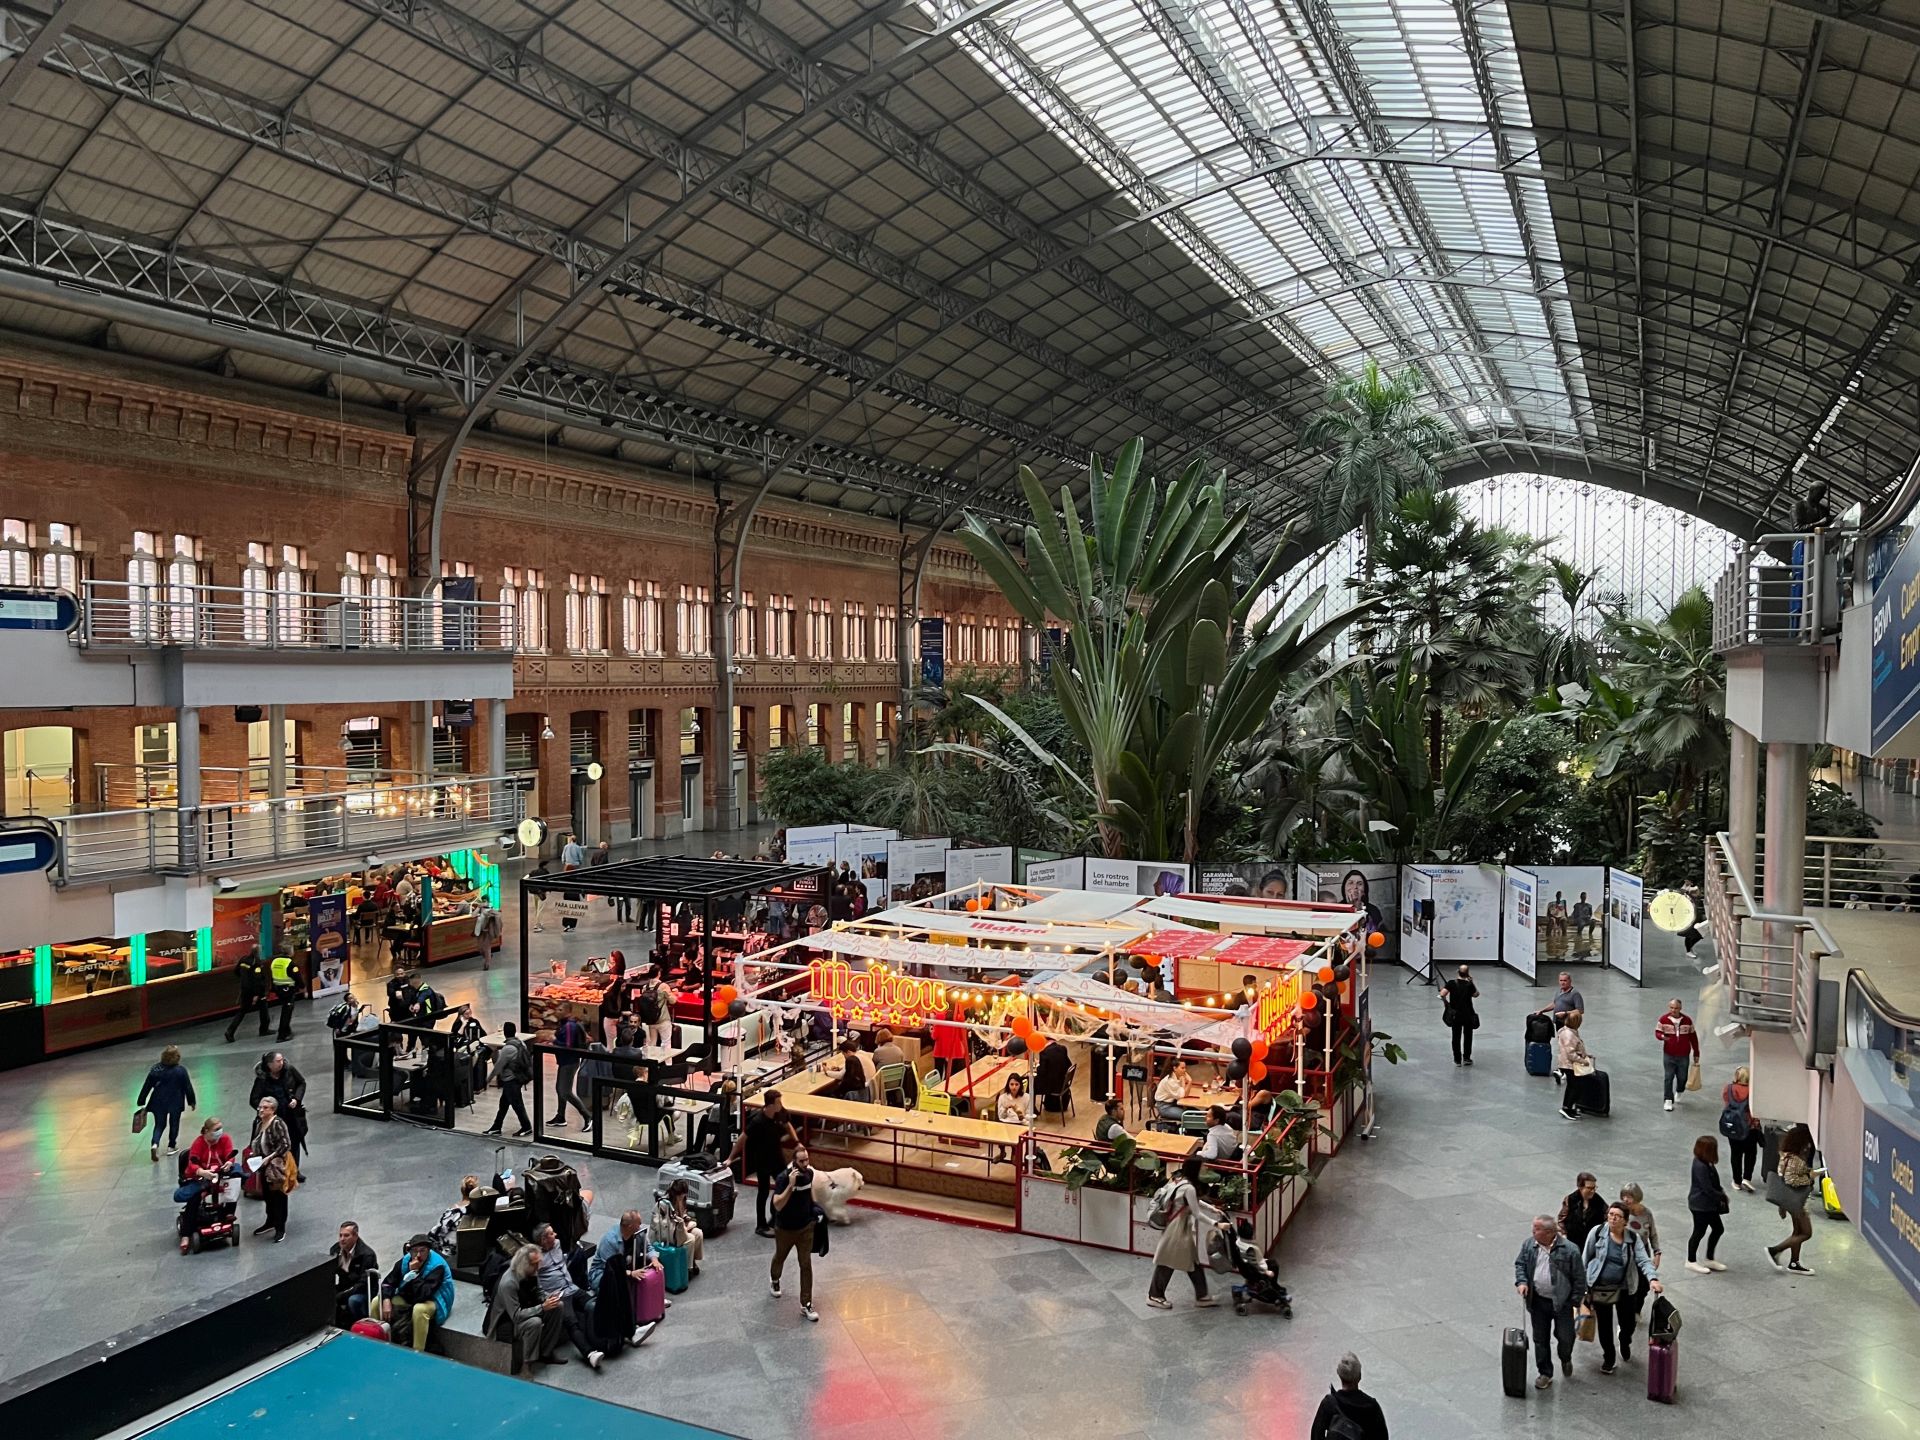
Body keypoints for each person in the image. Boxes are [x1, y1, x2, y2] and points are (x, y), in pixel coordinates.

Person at [1581, 1201, 1662, 1373]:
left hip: (1626, 1287)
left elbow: (1643, 1260)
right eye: (1611, 1215)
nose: (1613, 1219)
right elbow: (1585, 1258)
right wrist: (1583, 1285)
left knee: (1628, 1324)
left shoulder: (1633, 1238)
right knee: (1604, 1325)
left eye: (1617, 1216)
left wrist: (1652, 1279)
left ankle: (1625, 1341)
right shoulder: (1597, 1233)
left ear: (1625, 1221)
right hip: (1601, 1286)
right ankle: (1609, 1357)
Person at [1514, 1214, 1586, 1389]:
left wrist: (1574, 1301)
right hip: (1538, 1301)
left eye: (1537, 1228)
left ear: (1549, 1232)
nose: (1533, 1231)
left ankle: (1565, 1356)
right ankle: (1545, 1372)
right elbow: (1521, 1264)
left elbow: (1579, 1278)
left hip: (1562, 1303)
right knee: (1540, 1339)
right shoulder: (1529, 1245)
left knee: (1565, 1337)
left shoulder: (1570, 1250)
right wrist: (1522, 1282)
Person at [1146, 1155, 1220, 1310]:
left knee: (1191, 1262)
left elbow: (1191, 1201)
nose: (1205, 1169)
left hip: (1175, 1226)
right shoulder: (1190, 1188)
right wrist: (1216, 1223)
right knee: (1168, 1261)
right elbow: (1196, 1212)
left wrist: (1211, 1208)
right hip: (1178, 1229)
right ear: (1196, 1169)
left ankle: (1202, 1296)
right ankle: (1155, 1295)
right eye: (1203, 1167)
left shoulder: (1180, 1180)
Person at [533, 1222, 605, 1368]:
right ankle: (589, 1354)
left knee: (597, 1305)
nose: (555, 1235)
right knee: (572, 1323)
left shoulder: (558, 1244)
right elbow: (535, 1283)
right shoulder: (535, 1258)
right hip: (558, 1295)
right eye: (552, 1234)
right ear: (543, 1240)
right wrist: (546, 1298)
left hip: (572, 1288)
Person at [733, 1090, 799, 1237]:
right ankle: (761, 1226)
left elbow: (788, 1125)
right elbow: (742, 1139)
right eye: (778, 1102)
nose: (781, 1105)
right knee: (763, 1192)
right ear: (770, 1105)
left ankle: (774, 1218)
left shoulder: (780, 1113)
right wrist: (731, 1158)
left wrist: (797, 1142)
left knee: (784, 1186)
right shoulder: (757, 1121)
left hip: (777, 1157)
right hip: (762, 1160)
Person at [486, 1243, 564, 1366]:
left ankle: (546, 1352)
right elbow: (516, 1316)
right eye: (535, 1264)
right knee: (535, 1322)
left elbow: (538, 1291)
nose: (538, 1267)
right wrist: (542, 1307)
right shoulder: (509, 1283)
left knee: (558, 1306)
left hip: (526, 1308)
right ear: (525, 1265)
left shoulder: (531, 1270)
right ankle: (528, 1363)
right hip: (506, 1323)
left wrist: (548, 1298)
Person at [769, 1144, 821, 1322]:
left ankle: (806, 1304)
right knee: (780, 1256)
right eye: (802, 1161)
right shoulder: (784, 1178)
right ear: (794, 1161)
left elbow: (810, 1190)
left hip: (805, 1227)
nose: (806, 1163)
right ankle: (775, 1278)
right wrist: (790, 1186)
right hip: (785, 1229)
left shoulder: (809, 1174)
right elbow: (777, 1204)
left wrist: (815, 1208)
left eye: (807, 1159)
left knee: (805, 1264)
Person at [382, 1233, 455, 1352]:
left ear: (429, 1251)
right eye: (415, 1251)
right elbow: (388, 1282)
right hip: (411, 1295)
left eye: (423, 1251)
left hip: (435, 1298)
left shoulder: (437, 1266)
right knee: (377, 1302)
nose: (418, 1255)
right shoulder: (405, 1261)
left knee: (419, 1309)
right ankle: (380, 1341)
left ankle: (418, 1351)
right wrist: (385, 1299)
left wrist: (415, 1273)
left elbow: (423, 1295)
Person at [178, 1115, 235, 1252]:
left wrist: (229, 1162)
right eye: (216, 1129)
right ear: (207, 1131)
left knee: (232, 1187)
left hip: (219, 1174)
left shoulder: (225, 1139)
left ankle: (228, 1213)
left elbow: (230, 1155)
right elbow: (192, 1163)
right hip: (200, 1176)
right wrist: (202, 1172)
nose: (220, 1132)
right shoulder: (198, 1143)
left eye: (220, 1128)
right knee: (194, 1199)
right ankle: (186, 1234)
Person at [1767, 1122, 1817, 1274]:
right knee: (1806, 1233)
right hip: (1798, 1202)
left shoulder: (1785, 1156)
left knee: (1797, 1231)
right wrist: (1809, 1178)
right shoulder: (1795, 1159)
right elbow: (1792, 1180)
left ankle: (1794, 1262)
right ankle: (1775, 1250)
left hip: (1790, 1200)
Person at [248, 1051, 310, 1167]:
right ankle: (278, 1169)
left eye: (282, 1060)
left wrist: (296, 1099)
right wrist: (266, 1109)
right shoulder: (262, 1080)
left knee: (294, 1141)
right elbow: (254, 1099)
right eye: (278, 1061)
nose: (281, 1063)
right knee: (276, 1143)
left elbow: (301, 1083)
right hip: (274, 1118)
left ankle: (294, 1169)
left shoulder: (289, 1070)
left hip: (290, 1115)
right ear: (269, 1064)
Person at [137, 1044, 196, 1162]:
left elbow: (147, 1086)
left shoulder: (155, 1069)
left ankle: (155, 1144)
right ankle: (171, 1146)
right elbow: (187, 1087)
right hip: (175, 1102)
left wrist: (141, 1100)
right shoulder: (181, 1071)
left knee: (159, 1125)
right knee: (174, 1124)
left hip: (158, 1102)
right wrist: (191, 1101)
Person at [1310, 1353, 1388, 1440]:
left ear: (1339, 1374)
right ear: (1359, 1376)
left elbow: (1316, 1436)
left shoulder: (1329, 1404)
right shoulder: (1372, 1407)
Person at [248, 1095, 292, 1242]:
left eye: (265, 1108)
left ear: (273, 1110)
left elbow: (285, 1144)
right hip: (262, 1166)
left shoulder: (277, 1123)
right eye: (260, 1107)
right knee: (267, 1195)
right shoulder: (259, 1123)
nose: (261, 1110)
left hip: (275, 1167)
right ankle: (270, 1220)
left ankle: (280, 1227)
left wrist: (270, 1157)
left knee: (278, 1196)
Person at [1686, 1135, 1730, 1273]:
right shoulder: (1701, 1166)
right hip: (1701, 1205)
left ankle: (1709, 1259)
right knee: (1699, 1232)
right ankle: (1691, 1260)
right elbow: (1707, 1188)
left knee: (1717, 1229)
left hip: (1707, 1205)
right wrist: (1721, 1196)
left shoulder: (1705, 1163)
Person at [486, 1022, 534, 1137]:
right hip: (519, 1078)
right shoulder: (521, 1043)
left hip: (510, 1079)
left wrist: (488, 1079)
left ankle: (526, 1127)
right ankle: (496, 1127)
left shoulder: (508, 1048)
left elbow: (498, 1066)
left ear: (504, 1033)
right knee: (504, 1104)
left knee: (517, 1104)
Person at [1654, 997, 1700, 1111]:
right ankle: (1668, 1100)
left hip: (1683, 1055)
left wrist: (1696, 1052)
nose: (1673, 1010)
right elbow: (1657, 1032)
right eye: (1671, 1007)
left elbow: (1693, 1037)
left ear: (1680, 1008)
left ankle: (1680, 1090)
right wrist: (1662, 1037)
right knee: (1668, 1077)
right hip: (1669, 1054)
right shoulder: (1663, 1019)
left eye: (1676, 1008)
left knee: (1682, 1077)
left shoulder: (1687, 1021)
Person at [330, 1220, 380, 1324]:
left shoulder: (367, 1255)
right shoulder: (335, 1250)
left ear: (355, 1236)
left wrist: (343, 1295)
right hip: (345, 1286)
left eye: (346, 1236)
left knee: (353, 1300)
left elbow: (362, 1284)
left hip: (363, 1290)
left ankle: (358, 1325)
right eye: (340, 1235)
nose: (342, 1239)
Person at [654, 1179, 706, 1277]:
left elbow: (683, 1214)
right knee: (690, 1239)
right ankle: (687, 1267)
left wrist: (687, 1221)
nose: (683, 1197)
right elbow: (662, 1225)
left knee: (698, 1233)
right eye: (681, 1195)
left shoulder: (682, 1200)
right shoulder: (663, 1204)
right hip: (669, 1233)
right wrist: (682, 1227)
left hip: (680, 1229)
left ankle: (693, 1260)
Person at [550, 1014, 592, 1129]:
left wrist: (554, 1041)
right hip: (564, 1061)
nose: (557, 1011)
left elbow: (568, 1045)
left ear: (566, 1011)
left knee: (565, 1091)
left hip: (569, 1062)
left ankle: (588, 1116)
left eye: (560, 1010)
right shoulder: (566, 1024)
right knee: (559, 1089)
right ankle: (560, 1116)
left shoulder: (569, 1026)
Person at [1722, 1065, 1759, 1191]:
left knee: (1735, 1154)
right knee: (1751, 1152)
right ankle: (1747, 1178)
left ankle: (1736, 1181)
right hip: (1750, 1126)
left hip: (1734, 1125)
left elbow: (1726, 1100)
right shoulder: (1752, 1091)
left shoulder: (1729, 1088)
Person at [223, 953, 272, 1044]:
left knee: (242, 1011)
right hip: (255, 991)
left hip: (245, 990)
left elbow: (236, 971)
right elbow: (258, 979)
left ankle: (230, 1031)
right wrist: (257, 994)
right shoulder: (256, 963)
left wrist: (245, 979)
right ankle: (264, 1030)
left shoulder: (243, 959)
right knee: (263, 1008)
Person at [1557, 1171, 1607, 1251]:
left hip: (1592, 1242)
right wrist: (1564, 1235)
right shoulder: (1570, 1200)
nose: (1593, 1191)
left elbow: (1607, 1217)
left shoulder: (1599, 1201)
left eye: (1594, 1188)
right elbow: (1561, 1219)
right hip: (1573, 1241)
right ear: (1580, 1187)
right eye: (1589, 1188)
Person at [1440, 965, 1478, 1066]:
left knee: (1456, 1037)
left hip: (1455, 1015)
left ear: (1458, 972)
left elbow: (1442, 994)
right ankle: (1466, 1058)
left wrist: (1446, 1003)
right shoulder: (1469, 984)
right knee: (1468, 1036)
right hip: (1468, 1014)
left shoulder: (1451, 983)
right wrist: (1472, 982)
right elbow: (1476, 994)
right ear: (1468, 973)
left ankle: (1457, 1059)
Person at [1556, 1011, 1591, 1120]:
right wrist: (1583, 1061)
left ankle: (1569, 1107)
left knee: (1573, 1086)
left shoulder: (1566, 1031)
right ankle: (1567, 1108)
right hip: (1569, 1065)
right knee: (1574, 1087)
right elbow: (1570, 1053)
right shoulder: (1570, 1035)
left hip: (1567, 1063)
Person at [827, 1037, 873, 1103]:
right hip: (867, 1088)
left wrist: (827, 1071)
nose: (844, 1057)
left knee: (832, 1090)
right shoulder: (862, 1053)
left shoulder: (853, 1059)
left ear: (848, 1052)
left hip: (859, 1089)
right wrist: (841, 1068)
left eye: (844, 1054)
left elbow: (840, 1075)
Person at [267, 951, 300, 1042]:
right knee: (286, 1012)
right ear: (290, 952)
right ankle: (282, 1035)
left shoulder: (274, 961)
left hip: (278, 990)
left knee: (285, 1009)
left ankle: (287, 1030)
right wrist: (302, 987)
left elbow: (272, 976)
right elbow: (297, 977)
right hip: (288, 990)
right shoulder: (290, 963)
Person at [1154, 1059, 1195, 1125]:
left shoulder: (1179, 1076)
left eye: (1185, 1068)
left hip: (1174, 1103)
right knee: (1188, 1116)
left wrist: (1184, 1083)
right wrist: (1190, 1081)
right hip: (1165, 1107)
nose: (1185, 1070)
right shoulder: (1170, 1081)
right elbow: (1184, 1094)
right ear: (1175, 1068)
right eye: (1182, 1068)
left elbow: (1183, 1091)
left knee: (1197, 1112)